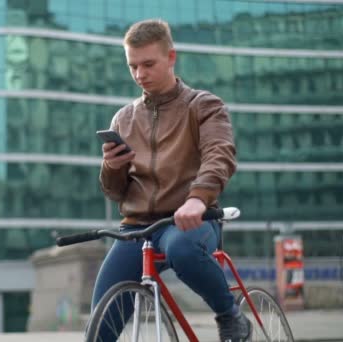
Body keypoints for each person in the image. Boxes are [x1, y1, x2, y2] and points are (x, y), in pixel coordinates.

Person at [92, 19, 252, 342]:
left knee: (181, 248)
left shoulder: (204, 106)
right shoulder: (123, 118)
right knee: (98, 329)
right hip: (136, 228)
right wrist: (112, 166)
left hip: (191, 220)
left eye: (148, 64)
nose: (139, 75)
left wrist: (197, 198)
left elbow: (220, 155)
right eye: (132, 66)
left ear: (171, 57)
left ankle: (230, 314)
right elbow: (114, 191)